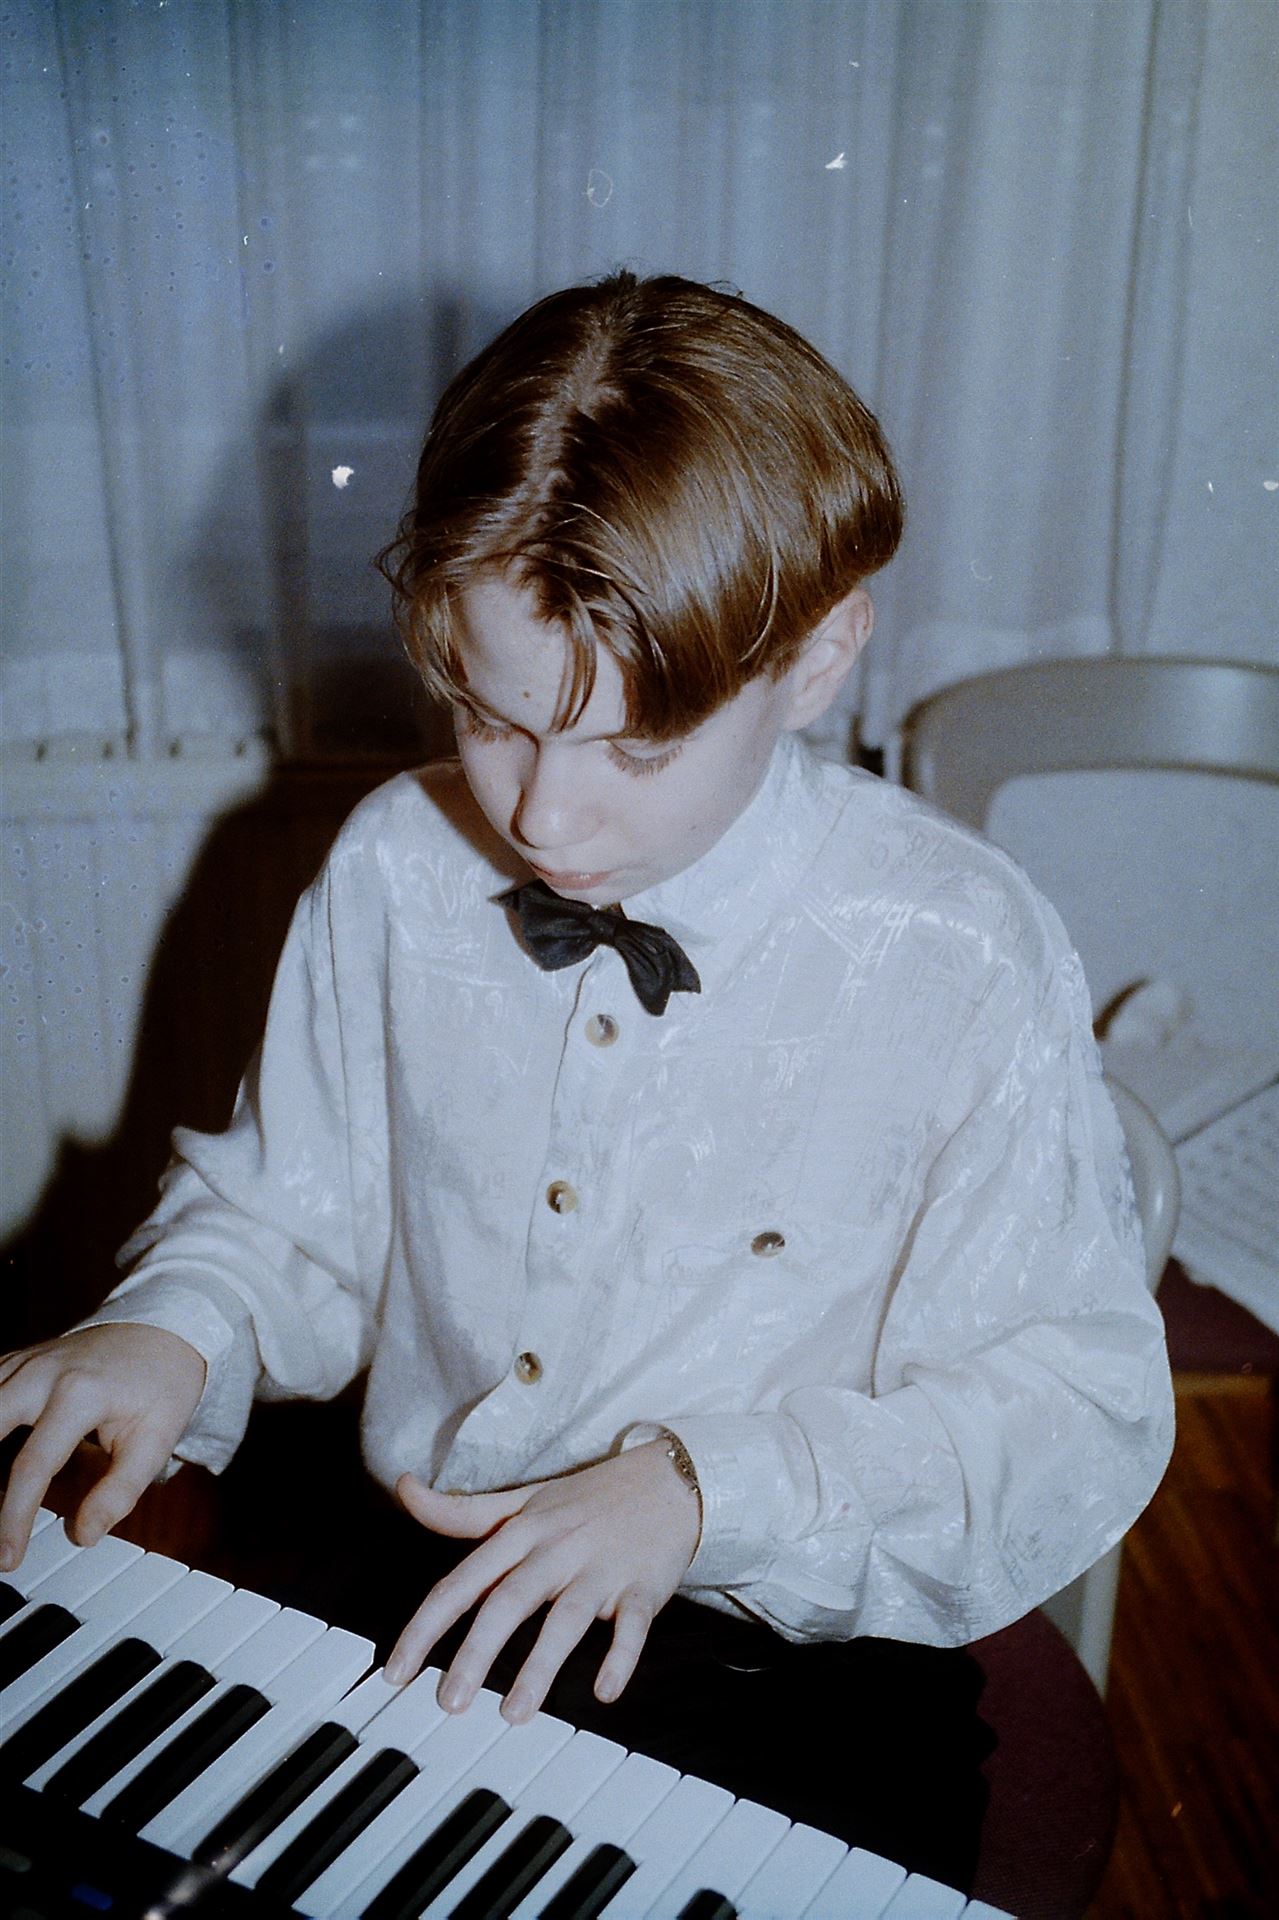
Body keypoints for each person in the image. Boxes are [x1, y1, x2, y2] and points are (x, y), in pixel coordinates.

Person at [0, 271, 1173, 1891]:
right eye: (491, 719)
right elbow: (294, 1218)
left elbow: (1070, 1404)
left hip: (776, 1638)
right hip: (411, 1552)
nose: (544, 819)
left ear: (819, 656)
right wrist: (177, 1321)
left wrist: (702, 1492)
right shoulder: (397, 867)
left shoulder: (956, 950)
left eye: (633, 747)